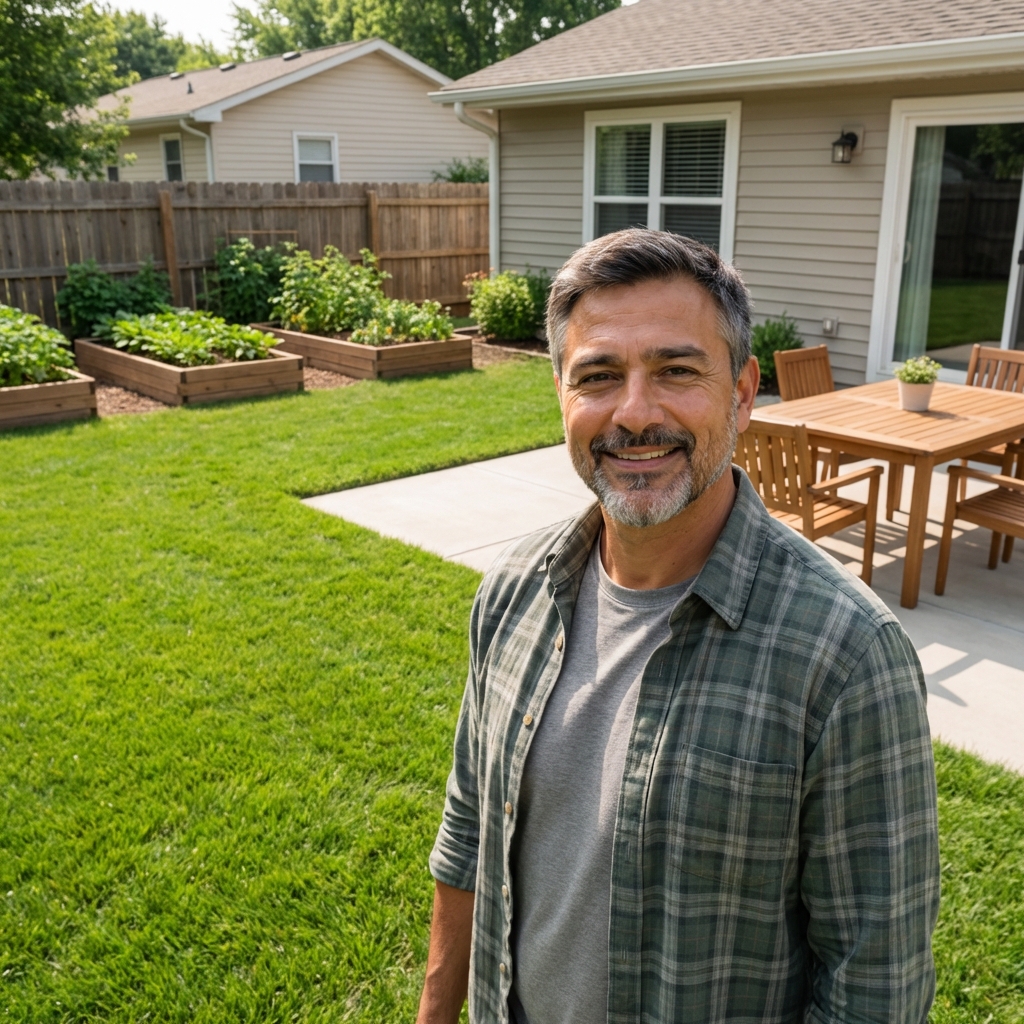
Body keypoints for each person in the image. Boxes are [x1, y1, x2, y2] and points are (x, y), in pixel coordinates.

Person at [417, 228, 940, 1024]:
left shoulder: (847, 659)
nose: (633, 412)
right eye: (598, 375)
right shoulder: (511, 593)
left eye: (676, 371)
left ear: (741, 391)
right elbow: (468, 832)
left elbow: (876, 985)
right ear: (561, 393)